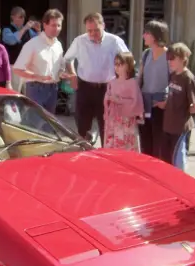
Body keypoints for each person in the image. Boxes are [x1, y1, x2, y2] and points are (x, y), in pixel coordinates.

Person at [64, 12, 129, 144]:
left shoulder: (114, 41)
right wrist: (73, 75)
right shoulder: (80, 41)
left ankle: (106, 156)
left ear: (103, 25)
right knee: (82, 126)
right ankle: (84, 156)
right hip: (85, 88)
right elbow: (67, 59)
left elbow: (128, 61)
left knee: (107, 127)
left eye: (96, 30)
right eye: (89, 31)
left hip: (107, 89)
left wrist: (121, 82)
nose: (93, 34)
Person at [13, 9, 66, 114]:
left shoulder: (58, 45)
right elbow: (17, 69)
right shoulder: (32, 44)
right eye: (53, 25)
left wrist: (63, 73)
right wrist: (37, 77)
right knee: (35, 124)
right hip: (35, 89)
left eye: (59, 25)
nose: (57, 29)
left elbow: (60, 67)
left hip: (53, 89)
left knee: (49, 126)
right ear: (45, 25)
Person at [160, 43, 195, 170]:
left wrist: (183, 111)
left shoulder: (188, 78)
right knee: (166, 158)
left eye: (173, 58)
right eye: (169, 58)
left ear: (182, 59)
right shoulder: (173, 75)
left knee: (178, 159)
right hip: (168, 124)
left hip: (180, 127)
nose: (170, 61)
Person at [138, 20, 170, 158]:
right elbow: (140, 78)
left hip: (160, 104)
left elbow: (177, 80)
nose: (143, 36)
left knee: (159, 143)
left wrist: (167, 102)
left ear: (156, 35)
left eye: (147, 33)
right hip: (145, 104)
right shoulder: (146, 54)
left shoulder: (170, 56)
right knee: (145, 143)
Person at [103, 52, 144, 151]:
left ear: (128, 66)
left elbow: (136, 102)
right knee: (111, 146)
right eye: (115, 64)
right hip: (112, 120)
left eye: (120, 64)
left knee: (126, 147)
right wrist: (108, 99)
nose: (117, 67)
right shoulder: (112, 82)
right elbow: (107, 99)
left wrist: (119, 100)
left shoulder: (132, 83)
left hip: (126, 121)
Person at [1, 6, 38, 92]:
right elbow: (12, 41)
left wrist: (38, 30)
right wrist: (25, 28)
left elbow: (39, 42)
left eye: (24, 17)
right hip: (14, 67)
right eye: (20, 16)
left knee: (28, 95)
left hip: (27, 68)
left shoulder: (29, 31)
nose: (22, 19)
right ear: (12, 17)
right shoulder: (7, 29)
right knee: (14, 94)